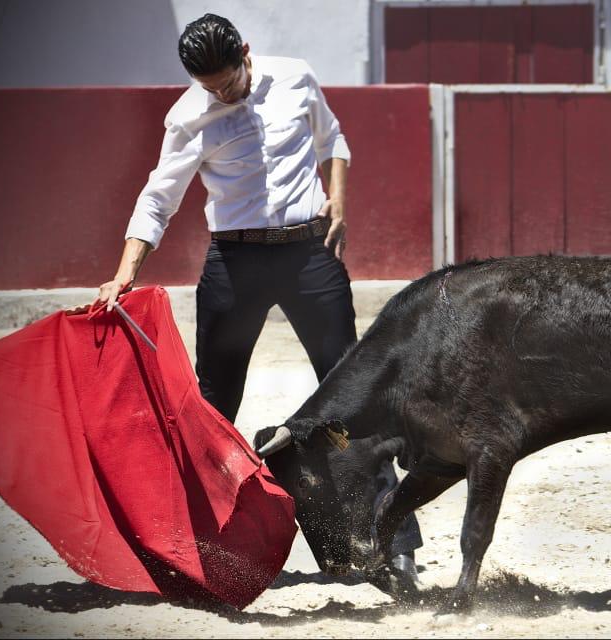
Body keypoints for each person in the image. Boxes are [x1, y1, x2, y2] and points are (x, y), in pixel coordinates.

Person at [91, 13, 421, 585]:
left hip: (309, 255)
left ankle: (395, 541)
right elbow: (157, 200)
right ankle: (193, 543)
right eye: (210, 87)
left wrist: (339, 203)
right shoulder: (188, 117)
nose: (222, 94)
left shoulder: (295, 77)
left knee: (355, 393)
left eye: (228, 82)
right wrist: (123, 274)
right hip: (235, 262)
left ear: (245, 53)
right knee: (213, 402)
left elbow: (333, 140)